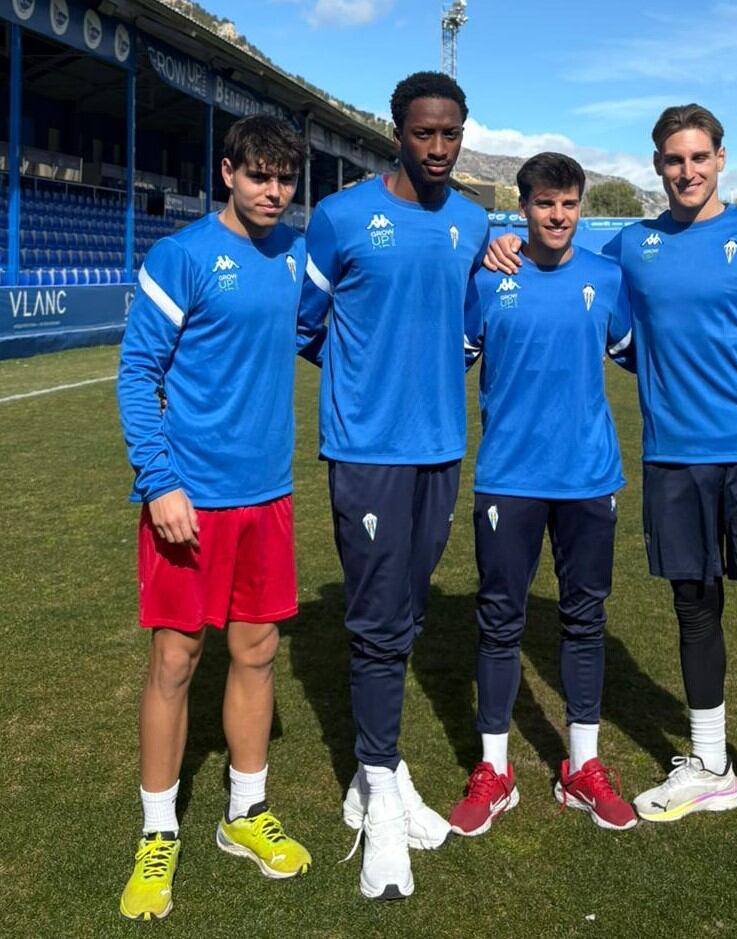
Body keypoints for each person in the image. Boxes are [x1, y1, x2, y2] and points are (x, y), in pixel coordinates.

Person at [485, 104, 737, 868]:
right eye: (674, 159)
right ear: (657, 165)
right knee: (694, 612)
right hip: (673, 460)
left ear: (721, 159)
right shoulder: (633, 247)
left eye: (699, 157)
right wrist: (496, 240)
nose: (687, 171)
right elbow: (561, 251)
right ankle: (711, 766)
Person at [298, 71, 490, 900]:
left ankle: (377, 773)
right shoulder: (341, 217)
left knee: (406, 612)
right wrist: (365, 380)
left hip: (441, 447)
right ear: (396, 132)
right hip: (368, 451)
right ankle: (380, 799)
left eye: (451, 134)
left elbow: (473, 329)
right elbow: (305, 325)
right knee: (379, 622)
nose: (438, 148)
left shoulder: (474, 222)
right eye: (424, 133)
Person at [116, 115, 314, 921]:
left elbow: (333, 324)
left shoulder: (295, 255)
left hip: (267, 495)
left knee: (257, 651)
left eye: (285, 178)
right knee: (176, 658)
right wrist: (158, 481)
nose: (274, 191)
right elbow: (137, 371)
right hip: (189, 500)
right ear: (227, 173)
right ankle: (158, 831)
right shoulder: (184, 255)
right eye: (259, 174)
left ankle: (245, 812)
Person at [447, 152, 637, 838]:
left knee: (585, 619)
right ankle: (494, 770)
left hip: (589, 477)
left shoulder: (606, 278)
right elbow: (449, 361)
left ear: (580, 207)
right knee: (500, 621)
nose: (558, 216)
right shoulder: (488, 276)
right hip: (509, 478)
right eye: (545, 203)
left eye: (569, 203)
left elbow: (641, 355)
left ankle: (582, 766)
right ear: (523, 207)